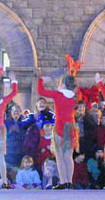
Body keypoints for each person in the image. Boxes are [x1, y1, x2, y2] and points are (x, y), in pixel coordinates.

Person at [37, 57, 81, 189]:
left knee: (60, 156)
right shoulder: (75, 96)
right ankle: (69, 182)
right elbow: (72, 88)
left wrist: (41, 80)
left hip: (60, 127)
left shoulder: (58, 94)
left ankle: (63, 182)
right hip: (71, 127)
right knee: (68, 156)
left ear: (63, 84)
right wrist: (71, 74)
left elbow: (41, 91)